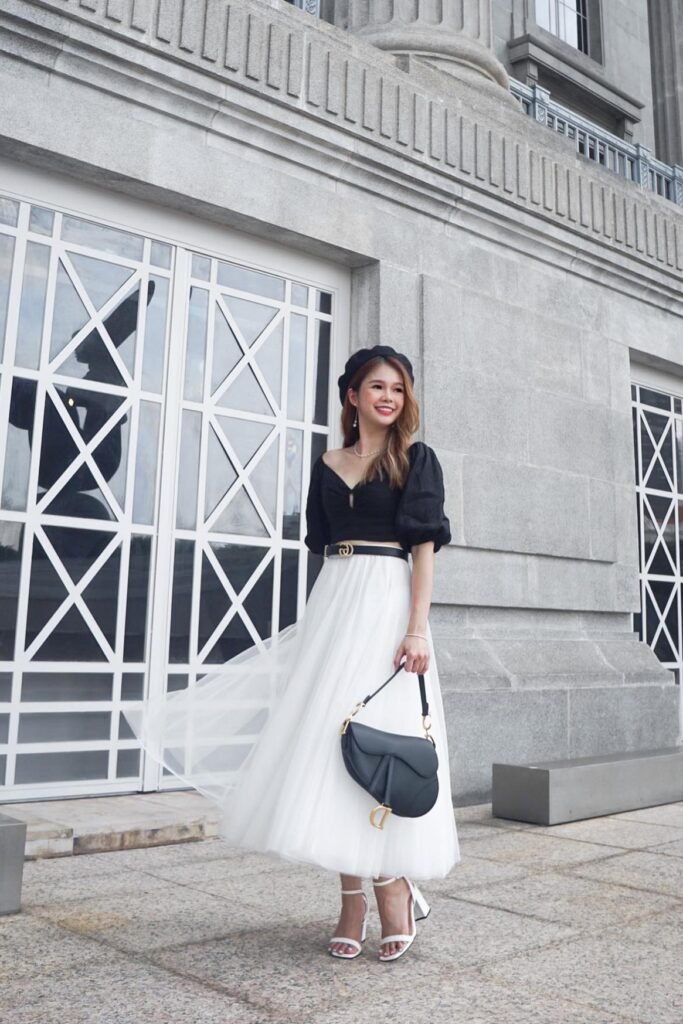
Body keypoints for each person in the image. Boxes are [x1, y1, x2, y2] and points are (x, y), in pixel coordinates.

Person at [124, 343, 460, 963]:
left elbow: (423, 552)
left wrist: (417, 629)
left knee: (377, 738)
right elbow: (324, 543)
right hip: (336, 602)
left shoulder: (416, 461)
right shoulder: (328, 461)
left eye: (398, 388)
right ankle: (350, 897)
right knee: (325, 747)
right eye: (376, 386)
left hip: (388, 604)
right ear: (352, 396)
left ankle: (393, 885)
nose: (388, 396)